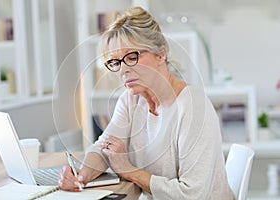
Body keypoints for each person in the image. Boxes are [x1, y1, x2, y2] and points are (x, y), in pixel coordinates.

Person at [59, 6, 235, 200]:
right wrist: (81, 176)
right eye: (115, 62)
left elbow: (193, 194)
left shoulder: (193, 106)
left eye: (132, 57)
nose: (123, 70)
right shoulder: (130, 100)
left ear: (161, 54)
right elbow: (103, 148)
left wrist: (128, 171)